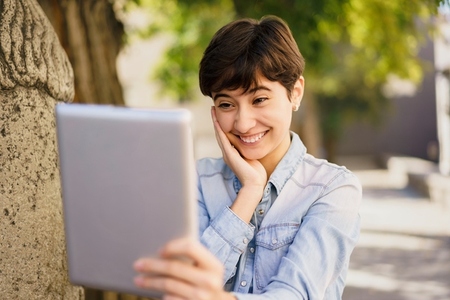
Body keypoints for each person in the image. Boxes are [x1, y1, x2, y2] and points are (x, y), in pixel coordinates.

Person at [133, 15, 362, 300]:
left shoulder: (333, 187)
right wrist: (250, 191)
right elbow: (181, 286)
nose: (242, 123)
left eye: (259, 99)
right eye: (227, 104)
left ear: (295, 93)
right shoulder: (197, 181)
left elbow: (296, 293)